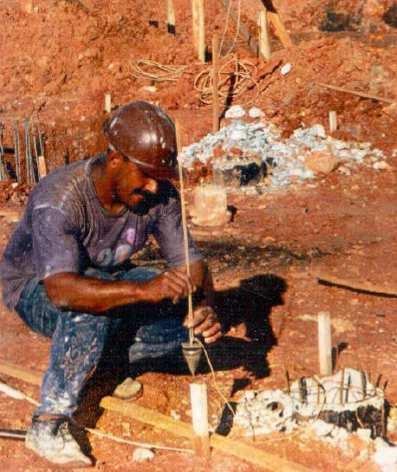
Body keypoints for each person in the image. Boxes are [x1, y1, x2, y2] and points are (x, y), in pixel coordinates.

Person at [0, 101, 222, 467]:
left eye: (159, 177)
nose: (153, 186)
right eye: (145, 175)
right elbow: (63, 291)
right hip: (36, 289)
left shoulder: (159, 195)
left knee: (186, 328)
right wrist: (141, 291)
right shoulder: (60, 200)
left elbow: (192, 265)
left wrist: (203, 306)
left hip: (110, 281)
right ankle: (48, 424)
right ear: (115, 159)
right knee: (91, 312)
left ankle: (106, 360)